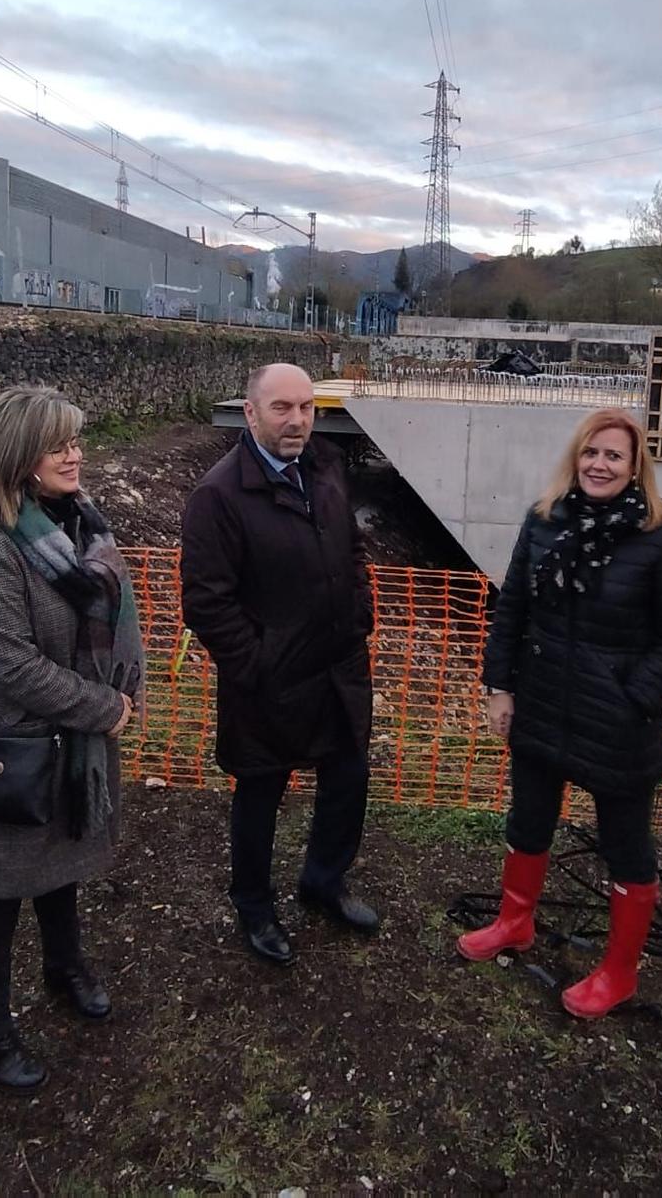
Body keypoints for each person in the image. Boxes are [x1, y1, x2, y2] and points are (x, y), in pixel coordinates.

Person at [457, 408, 662, 1018]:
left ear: (634, 466)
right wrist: (499, 687)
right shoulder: (544, 522)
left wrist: (634, 700)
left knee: (626, 845)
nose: (599, 464)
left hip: (616, 725)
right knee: (529, 819)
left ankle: (618, 972)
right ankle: (515, 922)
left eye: (614, 456)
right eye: (591, 453)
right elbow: (511, 606)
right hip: (540, 703)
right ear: (576, 458)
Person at [0, 386, 142, 1089]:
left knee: (63, 861)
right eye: (58, 444)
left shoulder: (87, 526)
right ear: (21, 457)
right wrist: (103, 706)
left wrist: (131, 689)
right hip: (19, 748)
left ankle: (64, 967)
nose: (75, 454)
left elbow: (125, 615)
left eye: (75, 441)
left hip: (82, 737)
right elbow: (16, 667)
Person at [181, 362, 378, 965]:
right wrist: (259, 663)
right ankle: (255, 907)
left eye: (306, 408)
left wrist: (360, 611)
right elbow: (206, 602)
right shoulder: (218, 495)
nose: (297, 421)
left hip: (337, 667)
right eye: (281, 409)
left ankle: (323, 881)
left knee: (347, 780)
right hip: (268, 682)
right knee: (261, 792)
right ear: (250, 413)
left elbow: (352, 545)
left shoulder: (323, 466)